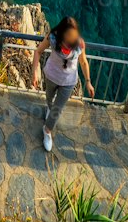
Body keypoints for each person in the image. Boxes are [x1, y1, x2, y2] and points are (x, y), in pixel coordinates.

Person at [30, 15, 95, 152]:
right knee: (49, 99)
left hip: (68, 82)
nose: (68, 44)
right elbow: (38, 51)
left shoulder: (79, 45)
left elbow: (83, 62)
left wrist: (88, 82)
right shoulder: (53, 37)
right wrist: (34, 72)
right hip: (51, 76)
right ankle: (48, 107)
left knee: (57, 109)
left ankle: (47, 130)